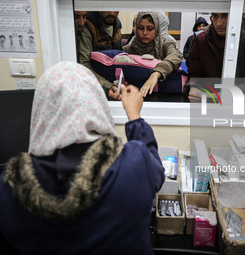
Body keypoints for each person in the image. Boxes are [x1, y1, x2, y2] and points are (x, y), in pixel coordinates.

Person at [0, 62, 165, 254]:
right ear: (96, 105)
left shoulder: (8, 188)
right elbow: (155, 166)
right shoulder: (134, 163)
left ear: (41, 111)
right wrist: (134, 116)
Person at [185, 13, 245, 101]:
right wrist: (194, 87)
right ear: (211, 19)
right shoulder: (201, 40)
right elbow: (195, 74)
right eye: (215, 16)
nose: (219, 23)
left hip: (244, 101)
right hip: (210, 101)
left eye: (225, 15)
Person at [123, 12, 183, 97]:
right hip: (135, 94)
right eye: (140, 28)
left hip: (161, 94)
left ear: (157, 29)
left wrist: (156, 74)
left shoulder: (164, 44)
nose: (145, 33)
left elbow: (176, 56)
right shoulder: (129, 48)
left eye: (150, 29)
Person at [78, 11, 123, 100]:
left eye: (115, 8)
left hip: (114, 86)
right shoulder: (88, 26)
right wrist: (109, 86)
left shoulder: (116, 24)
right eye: (107, 7)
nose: (111, 12)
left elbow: (119, 56)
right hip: (94, 90)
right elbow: (84, 67)